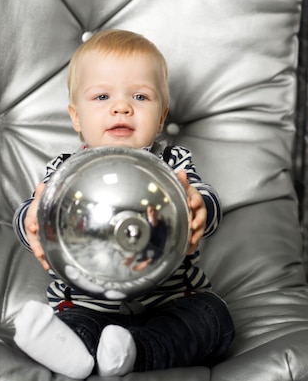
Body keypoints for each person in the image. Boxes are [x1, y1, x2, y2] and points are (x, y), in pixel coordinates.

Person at [12, 29, 235, 379]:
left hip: (173, 302)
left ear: (161, 118)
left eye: (140, 97)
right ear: (76, 117)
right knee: (74, 322)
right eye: (102, 96)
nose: (121, 106)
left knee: (212, 318)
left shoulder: (172, 163)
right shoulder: (66, 171)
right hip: (86, 302)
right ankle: (73, 351)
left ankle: (136, 353)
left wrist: (200, 209)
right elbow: (32, 211)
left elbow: (205, 198)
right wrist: (32, 220)